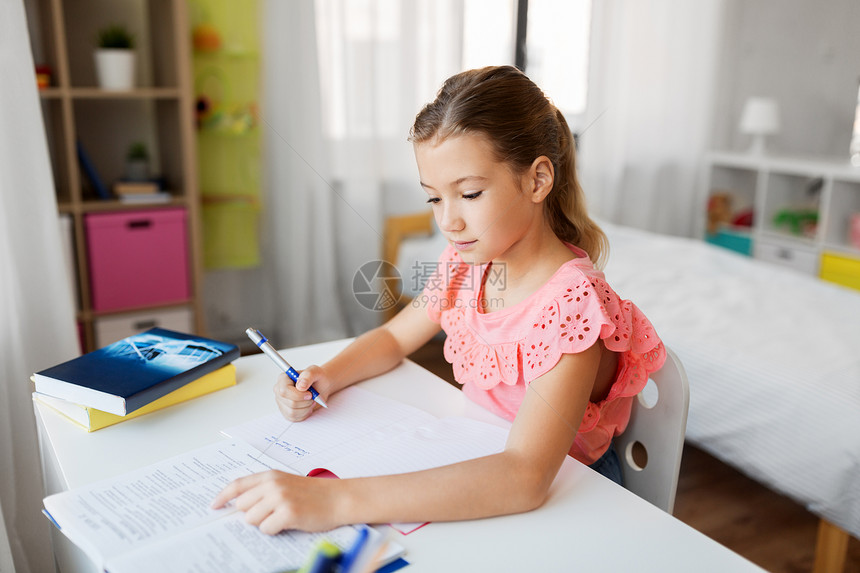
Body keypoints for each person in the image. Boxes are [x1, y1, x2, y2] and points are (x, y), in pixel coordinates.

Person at [212, 65, 665, 534]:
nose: (447, 222)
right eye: (434, 199)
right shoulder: (466, 264)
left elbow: (525, 477)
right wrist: (327, 375)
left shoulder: (572, 307)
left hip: (565, 496)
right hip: (480, 457)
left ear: (537, 181)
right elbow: (392, 337)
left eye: (469, 193)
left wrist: (336, 499)